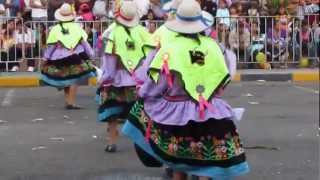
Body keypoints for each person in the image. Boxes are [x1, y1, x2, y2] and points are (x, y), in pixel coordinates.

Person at [122, 0, 249, 179]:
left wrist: (143, 94)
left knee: (179, 163)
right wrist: (209, 94)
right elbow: (224, 76)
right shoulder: (214, 47)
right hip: (209, 112)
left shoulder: (169, 49)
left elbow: (155, 84)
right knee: (208, 164)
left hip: (176, 114)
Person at [97, 1, 152, 153]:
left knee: (112, 112)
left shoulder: (114, 34)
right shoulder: (143, 33)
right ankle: (147, 143)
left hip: (117, 80)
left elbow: (110, 60)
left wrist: (105, 79)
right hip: (138, 80)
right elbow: (150, 57)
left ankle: (111, 142)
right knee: (142, 112)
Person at [41, 3, 96, 109]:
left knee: (67, 79)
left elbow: (51, 47)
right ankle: (71, 102)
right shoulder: (77, 28)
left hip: (59, 58)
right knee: (74, 79)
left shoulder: (55, 29)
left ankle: (68, 101)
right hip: (75, 57)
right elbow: (84, 43)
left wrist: (45, 59)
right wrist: (91, 55)